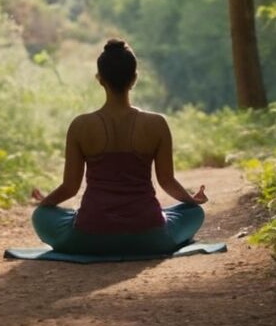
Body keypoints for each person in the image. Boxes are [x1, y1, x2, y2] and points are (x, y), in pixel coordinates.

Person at [30, 38, 207, 255]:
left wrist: (46, 202)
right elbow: (166, 181)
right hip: (150, 236)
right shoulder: (157, 124)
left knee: (40, 216)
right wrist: (191, 200)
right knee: (194, 212)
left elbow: (70, 188)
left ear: (99, 79)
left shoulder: (80, 126)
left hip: (90, 238)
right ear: (134, 79)